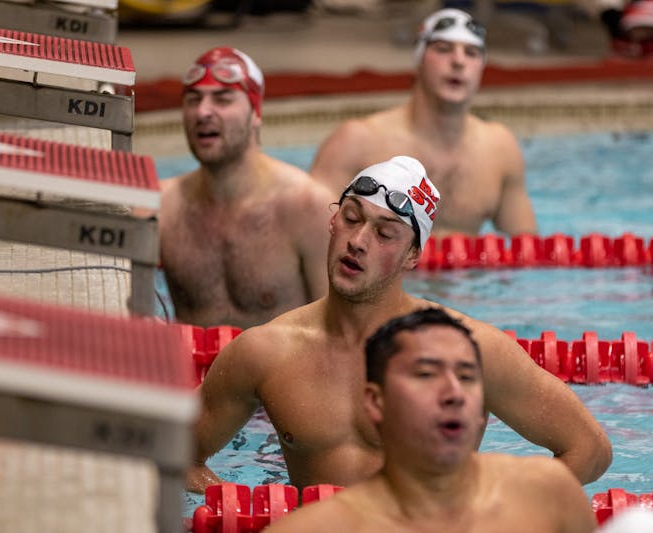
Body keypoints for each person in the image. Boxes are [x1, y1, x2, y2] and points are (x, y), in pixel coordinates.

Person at [189, 155, 610, 492]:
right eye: (352, 217)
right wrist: (236, 509)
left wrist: (501, 514)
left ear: (412, 257)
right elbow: (175, 453)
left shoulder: (470, 350)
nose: (358, 241)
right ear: (332, 220)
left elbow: (588, 449)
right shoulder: (264, 353)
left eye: (386, 233)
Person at [264, 308, 598, 533]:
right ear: (376, 402)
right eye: (426, 375)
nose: (453, 393)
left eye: (467, 377)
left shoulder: (550, 498)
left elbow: (590, 448)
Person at [309, 8, 538, 238]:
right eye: (443, 49)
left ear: (482, 68)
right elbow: (313, 234)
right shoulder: (357, 141)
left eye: (471, 53)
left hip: (471, 275)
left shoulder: (500, 148)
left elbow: (527, 247)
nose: (458, 61)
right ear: (419, 59)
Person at [159, 46, 334, 329]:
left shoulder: (307, 205)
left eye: (222, 99)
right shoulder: (162, 205)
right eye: (193, 99)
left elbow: (338, 333)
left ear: (256, 113)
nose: (202, 112)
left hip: (280, 373)